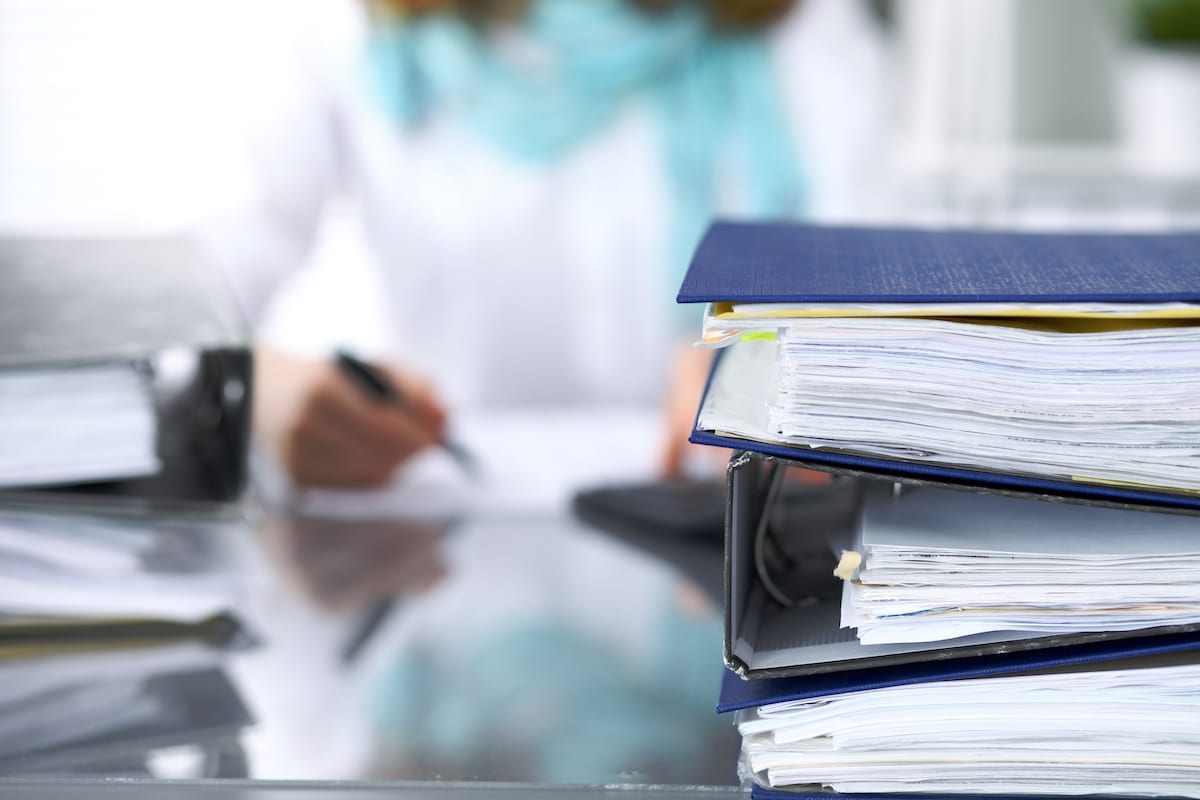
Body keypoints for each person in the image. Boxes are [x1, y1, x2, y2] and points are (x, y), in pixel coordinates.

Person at [203, 0, 889, 488]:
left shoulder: (807, 27)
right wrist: (259, 392)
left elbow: (904, 298)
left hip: (716, 561)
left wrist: (794, 362)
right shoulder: (345, 31)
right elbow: (174, 308)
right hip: (449, 561)